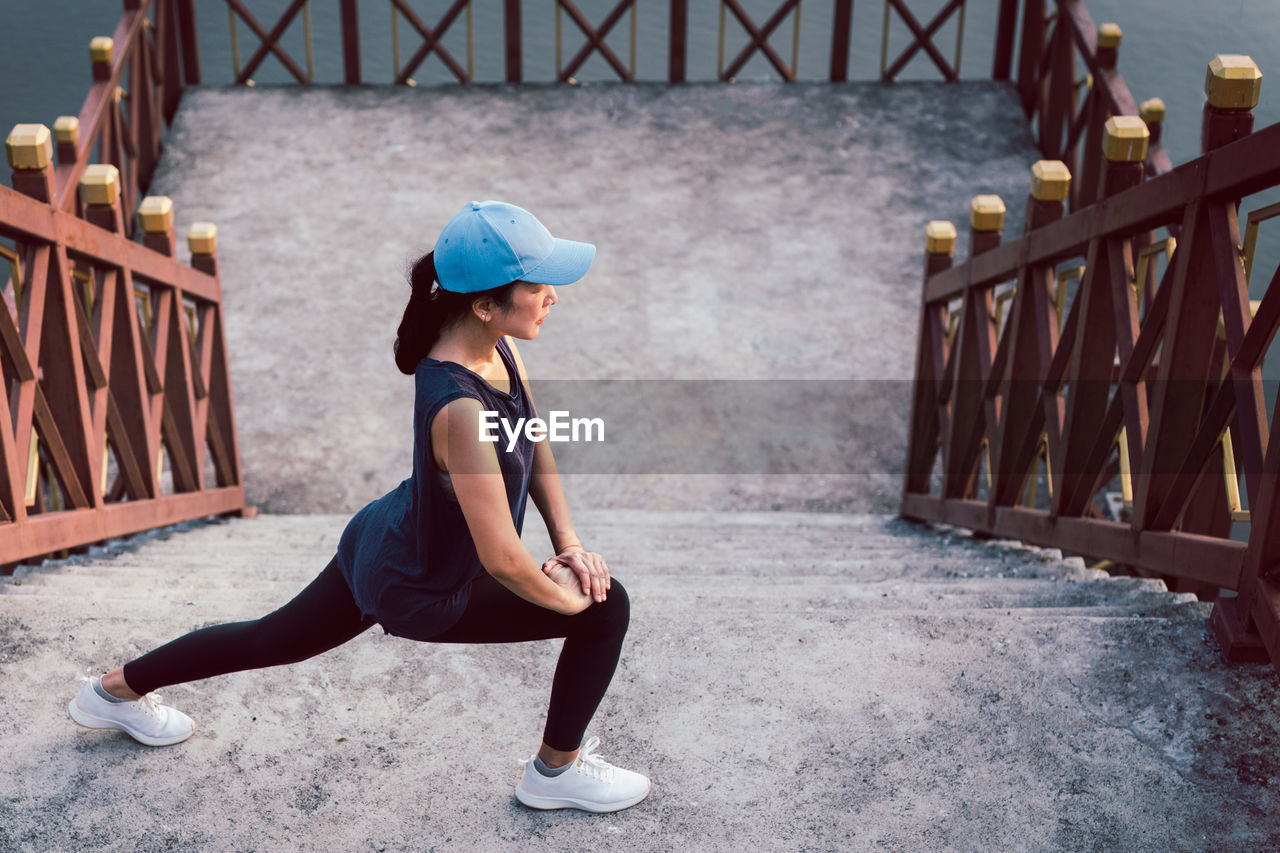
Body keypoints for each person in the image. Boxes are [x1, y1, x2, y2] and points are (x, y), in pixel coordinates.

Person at [68, 200, 650, 814]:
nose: (553, 295)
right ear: (484, 304)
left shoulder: (496, 348)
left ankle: (111, 692)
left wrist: (570, 546)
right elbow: (504, 560)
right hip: (421, 586)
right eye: (538, 285)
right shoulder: (461, 411)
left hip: (386, 536)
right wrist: (573, 602)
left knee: (271, 638)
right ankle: (554, 777)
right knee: (605, 611)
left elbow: (533, 438)